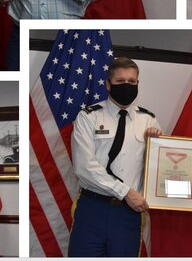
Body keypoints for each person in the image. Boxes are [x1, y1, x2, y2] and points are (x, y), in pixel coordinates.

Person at [69, 57, 162, 256]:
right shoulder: (89, 117)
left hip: (127, 213)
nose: (126, 86)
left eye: (132, 82)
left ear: (138, 83)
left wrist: (155, 145)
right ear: (108, 84)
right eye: (120, 81)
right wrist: (125, 191)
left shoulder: (149, 120)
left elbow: (160, 168)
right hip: (92, 208)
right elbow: (84, 166)